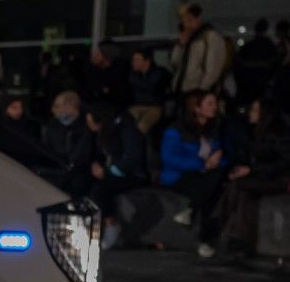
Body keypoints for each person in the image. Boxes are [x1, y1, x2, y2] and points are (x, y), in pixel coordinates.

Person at [160, 89, 232, 257]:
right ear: (197, 108)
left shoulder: (213, 129)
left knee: (214, 186)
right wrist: (201, 164)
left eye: (215, 104)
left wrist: (217, 160)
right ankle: (205, 240)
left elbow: (221, 155)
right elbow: (169, 158)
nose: (214, 108)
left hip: (205, 174)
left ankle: (190, 212)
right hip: (179, 175)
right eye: (210, 104)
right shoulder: (176, 130)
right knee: (208, 189)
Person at [218, 99, 290, 256]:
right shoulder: (253, 131)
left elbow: (283, 163)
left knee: (237, 185)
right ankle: (244, 242)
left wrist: (250, 170)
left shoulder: (278, 135)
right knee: (245, 195)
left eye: (255, 110)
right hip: (262, 176)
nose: (250, 113)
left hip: (280, 179)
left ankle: (215, 226)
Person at [69, 103, 147, 247]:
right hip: (107, 170)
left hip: (130, 174)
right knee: (79, 182)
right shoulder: (98, 133)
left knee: (100, 189)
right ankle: (79, 226)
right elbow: (82, 156)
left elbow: (132, 158)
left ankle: (111, 224)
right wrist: (95, 164)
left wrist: (108, 171)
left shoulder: (126, 129)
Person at [170, 3, 227, 99]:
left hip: (198, 92)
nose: (186, 23)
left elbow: (213, 68)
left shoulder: (210, 37)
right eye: (184, 20)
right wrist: (180, 45)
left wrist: (202, 90)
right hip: (182, 91)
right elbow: (175, 62)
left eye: (190, 19)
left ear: (198, 19)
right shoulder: (187, 38)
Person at [41, 90, 95, 176]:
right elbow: (46, 148)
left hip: (81, 172)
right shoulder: (53, 124)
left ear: (70, 107)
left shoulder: (88, 125)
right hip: (56, 168)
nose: (53, 110)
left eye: (57, 106)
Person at [234, 19, 281, 112]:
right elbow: (276, 68)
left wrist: (241, 82)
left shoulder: (246, 47)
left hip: (246, 87)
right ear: (266, 30)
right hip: (263, 86)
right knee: (264, 113)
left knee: (247, 113)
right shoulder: (271, 47)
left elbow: (237, 67)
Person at [128, 49, 172, 135]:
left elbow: (152, 87)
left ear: (147, 61)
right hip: (136, 106)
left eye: (137, 60)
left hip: (154, 107)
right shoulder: (133, 74)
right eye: (133, 60)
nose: (133, 63)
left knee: (142, 126)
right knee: (125, 122)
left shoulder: (160, 72)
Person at [82, 39, 128, 109]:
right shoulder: (92, 70)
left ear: (106, 55)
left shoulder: (119, 70)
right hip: (93, 104)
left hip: (113, 106)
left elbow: (117, 93)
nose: (95, 56)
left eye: (98, 53)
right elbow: (89, 91)